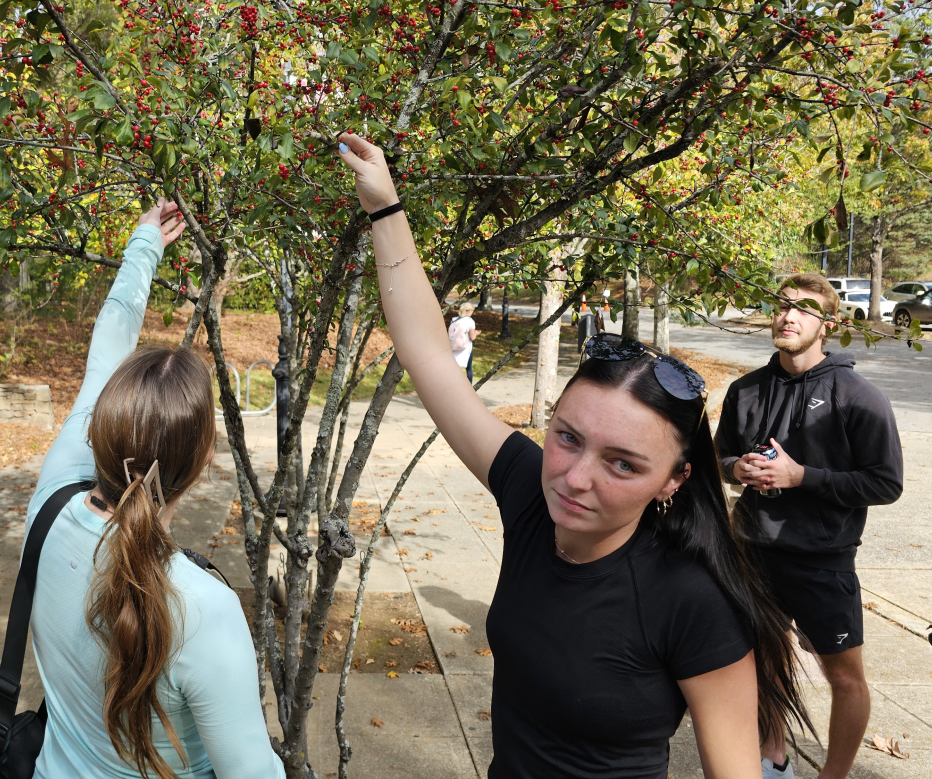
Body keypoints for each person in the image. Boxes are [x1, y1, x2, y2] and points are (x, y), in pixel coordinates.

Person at [337, 132, 813, 778]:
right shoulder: (533, 495)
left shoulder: (690, 600)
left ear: (674, 480)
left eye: (623, 463)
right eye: (566, 436)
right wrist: (386, 207)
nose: (575, 477)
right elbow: (427, 353)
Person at [25, 198, 285, 779]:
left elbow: (105, 352)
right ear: (203, 459)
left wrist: (143, 246)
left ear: (99, 430)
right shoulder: (204, 609)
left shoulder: (49, 503)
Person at [715, 274, 903, 779]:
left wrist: (802, 477)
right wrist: (736, 469)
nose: (788, 316)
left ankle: (833, 775)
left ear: (829, 324)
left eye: (803, 308)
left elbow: (886, 483)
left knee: (844, 678)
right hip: (752, 550)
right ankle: (775, 760)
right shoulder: (745, 390)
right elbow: (719, 457)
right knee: (762, 666)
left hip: (823, 560)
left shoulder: (859, 397)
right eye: (781, 307)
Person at [449, 301, 481, 382]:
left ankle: (452, 383)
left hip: (453, 346)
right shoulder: (470, 321)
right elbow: (472, 337)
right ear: (469, 311)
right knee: (468, 368)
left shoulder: (454, 319)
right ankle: (469, 387)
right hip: (465, 347)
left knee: (453, 367)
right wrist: (476, 333)